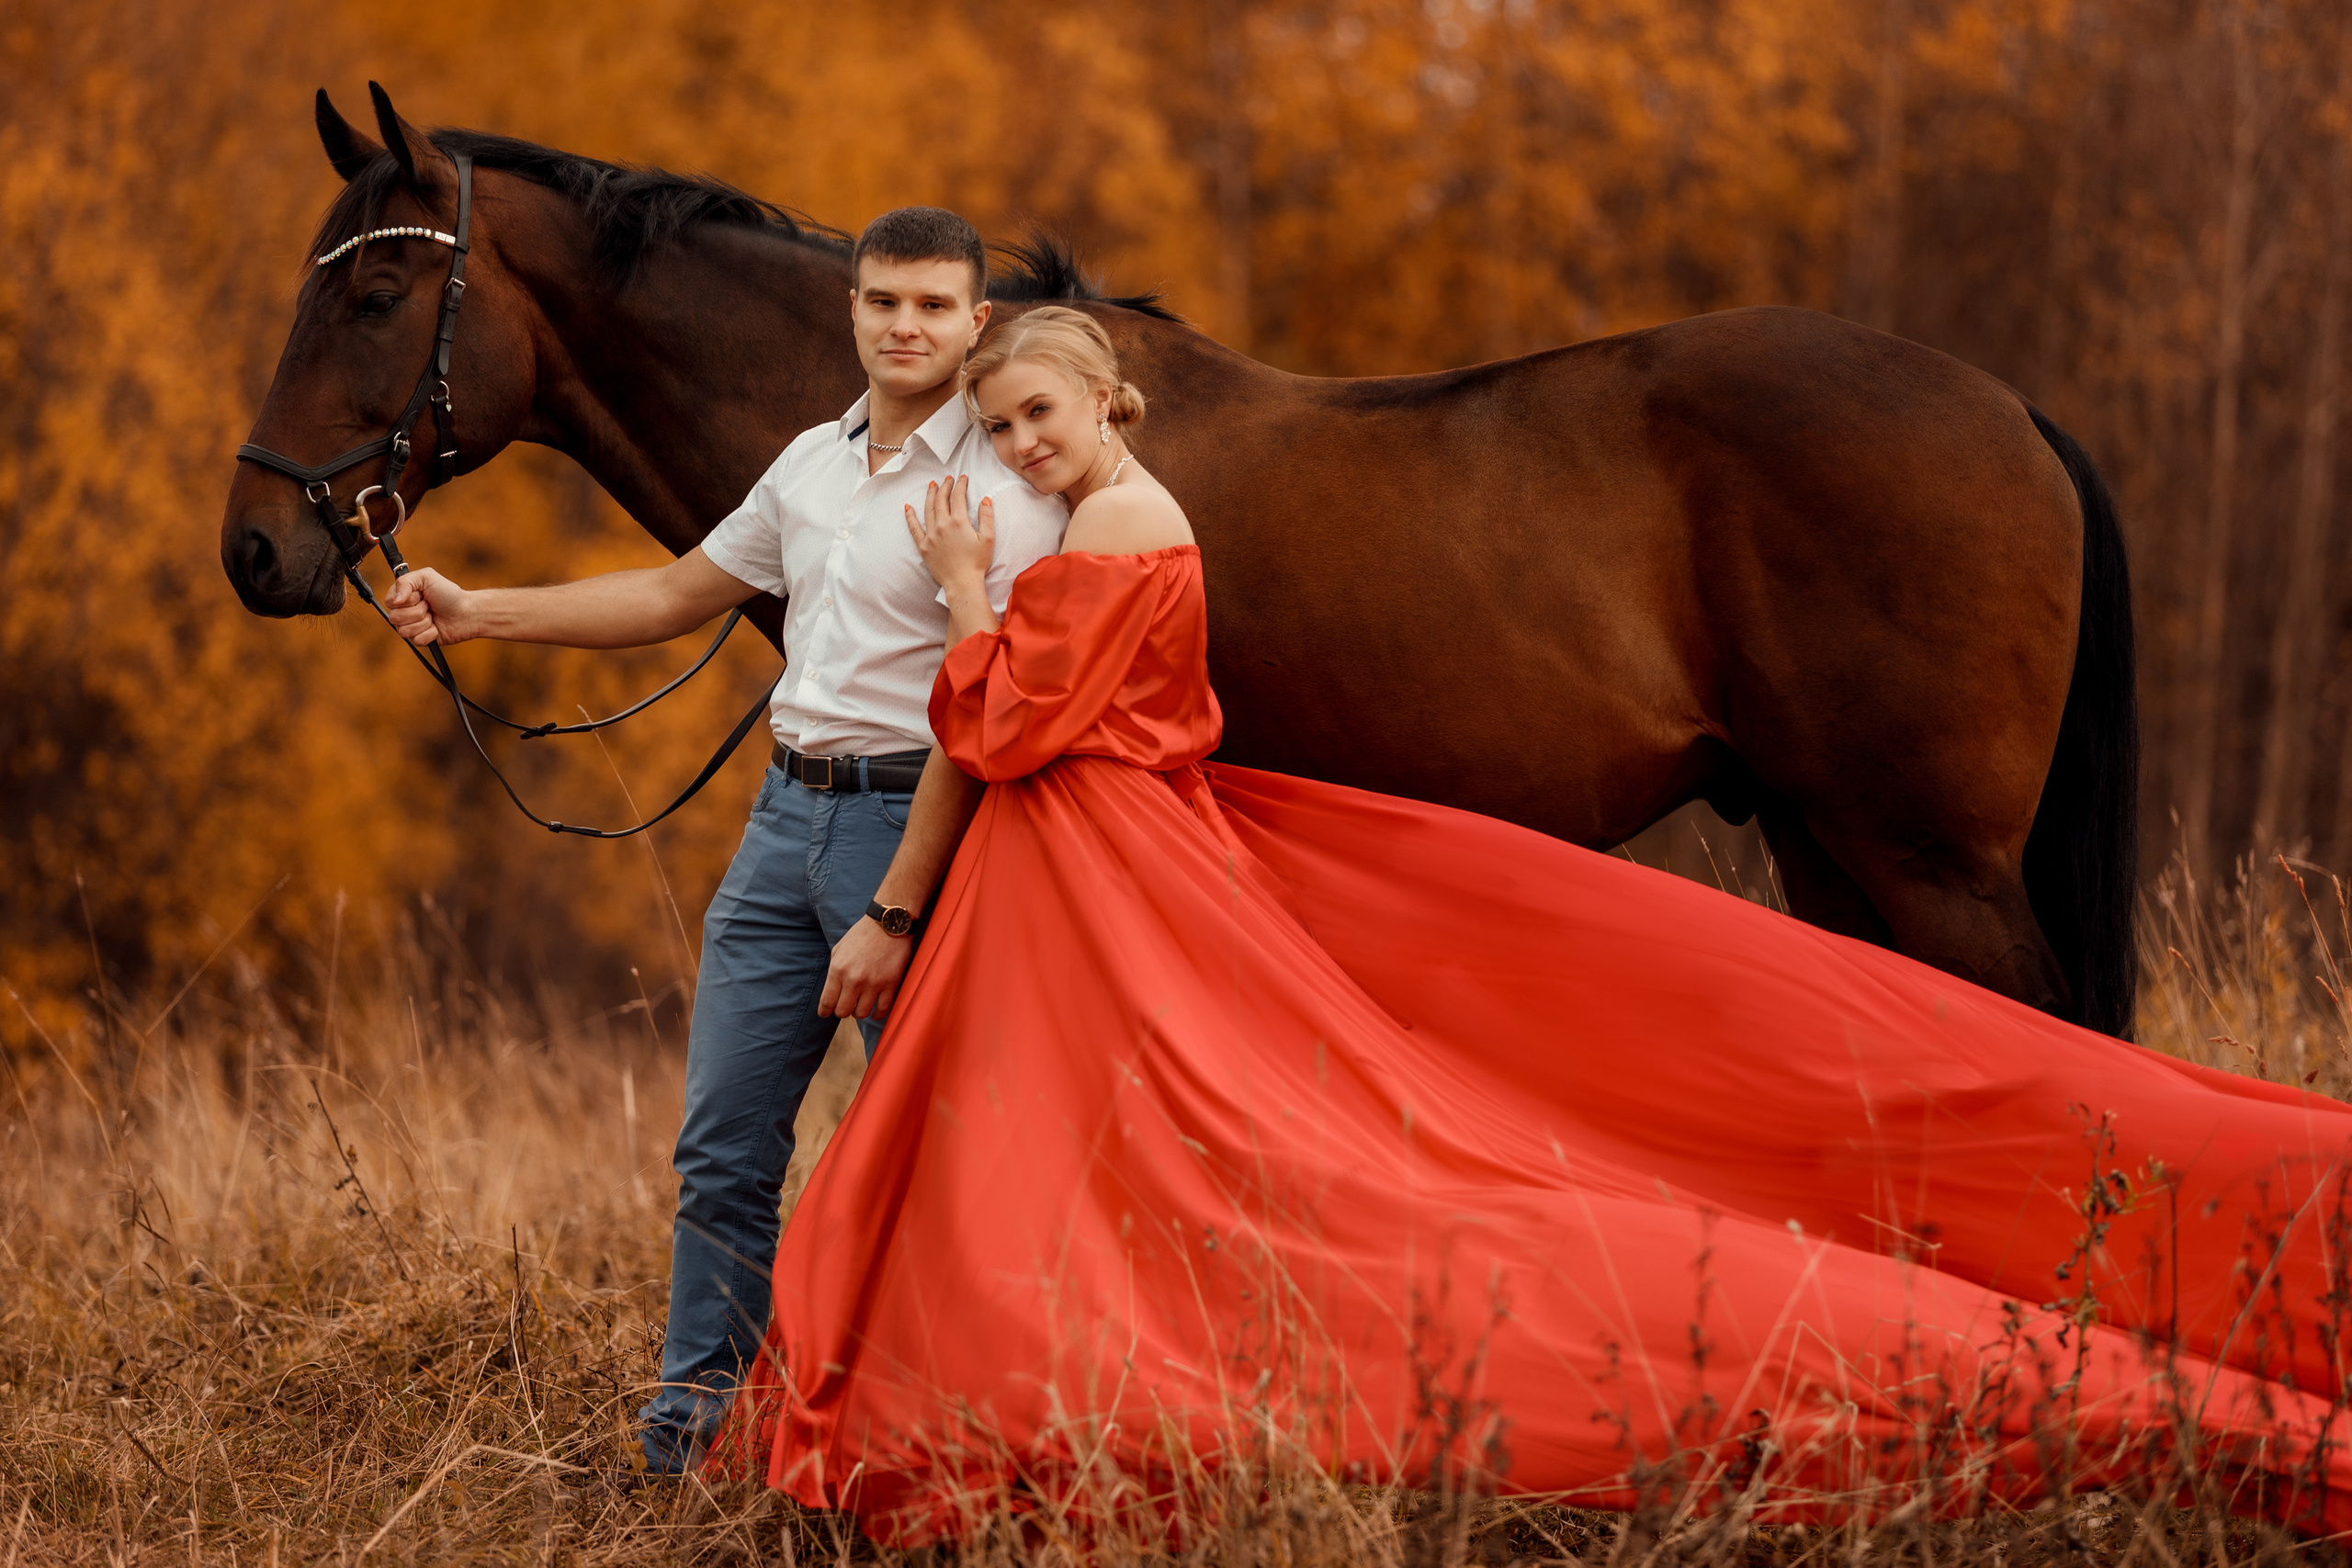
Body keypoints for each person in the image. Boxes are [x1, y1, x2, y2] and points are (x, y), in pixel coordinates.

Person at [714, 307, 2352, 1540]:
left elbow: (998, 726)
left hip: (1102, 852)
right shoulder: (1114, 506)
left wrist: (969, 591)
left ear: (1111, 404)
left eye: (1035, 418)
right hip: (1101, 858)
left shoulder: (1119, 525)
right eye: (995, 430)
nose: (1014, 451)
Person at [379, 209, 1069, 1474]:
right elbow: (672, 592)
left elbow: (989, 718)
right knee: (723, 1153)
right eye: (881, 302)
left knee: (939, 1161)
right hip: (778, 830)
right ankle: (691, 1443)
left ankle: (957, 1449)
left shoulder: (1006, 493)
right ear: (851, 312)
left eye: (931, 307)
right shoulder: (814, 459)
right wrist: (480, 614)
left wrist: (898, 909)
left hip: (912, 831)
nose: (903, 326)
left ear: (977, 323)